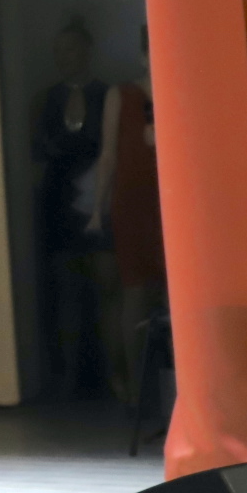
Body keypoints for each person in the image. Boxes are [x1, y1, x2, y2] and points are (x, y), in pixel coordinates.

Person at [31, 18, 115, 398]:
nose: (63, 58)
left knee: (105, 288)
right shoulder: (45, 100)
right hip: (59, 202)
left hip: (99, 200)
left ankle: (110, 379)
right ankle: (66, 382)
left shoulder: (106, 94)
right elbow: (36, 153)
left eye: (70, 49)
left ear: (87, 50)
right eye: (58, 52)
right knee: (64, 291)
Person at [88, 24, 163, 402]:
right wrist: (96, 209)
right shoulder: (121, 94)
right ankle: (135, 385)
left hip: (169, 202)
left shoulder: (179, 91)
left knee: (168, 291)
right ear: (143, 56)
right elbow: (109, 154)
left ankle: (168, 387)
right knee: (134, 288)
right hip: (132, 200)